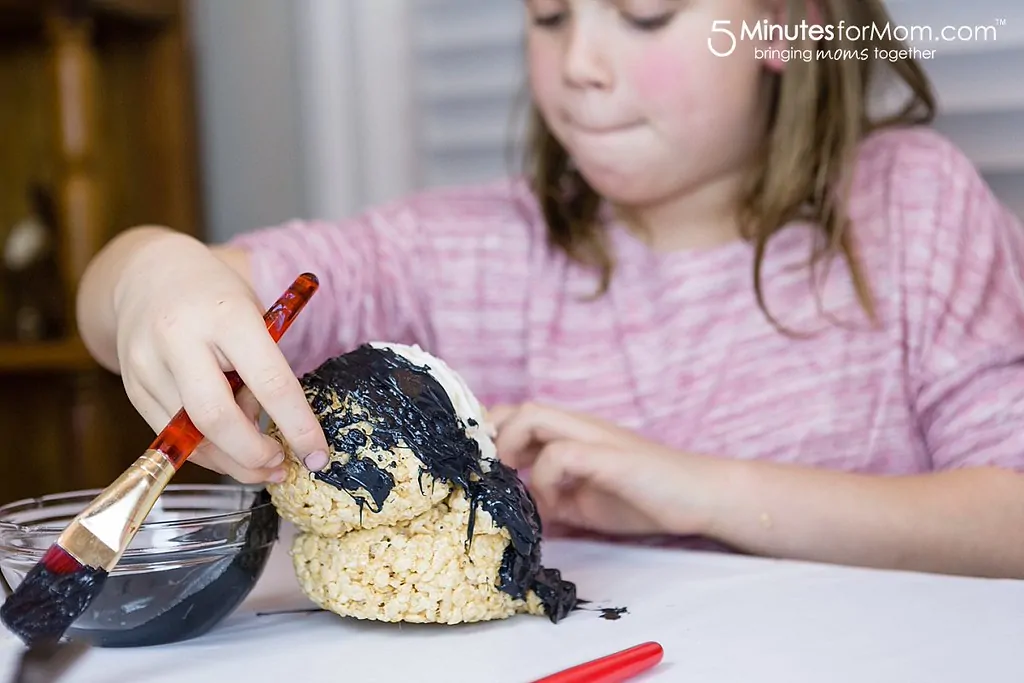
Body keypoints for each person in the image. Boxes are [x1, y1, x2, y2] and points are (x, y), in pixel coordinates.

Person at [76, 0, 1024, 580]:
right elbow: (133, 288)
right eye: (547, 13)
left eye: (645, 13)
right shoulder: (480, 248)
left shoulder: (915, 206)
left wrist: (696, 491)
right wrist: (148, 277)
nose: (578, 65)